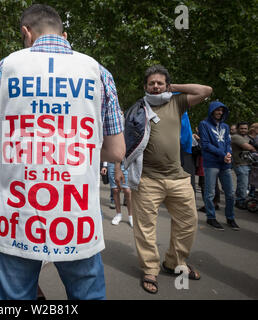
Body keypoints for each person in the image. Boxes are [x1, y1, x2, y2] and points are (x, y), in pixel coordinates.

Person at [0, 4, 125, 300]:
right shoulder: (98, 71)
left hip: (19, 214)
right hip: (76, 216)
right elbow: (117, 151)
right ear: (65, 34)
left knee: (15, 297)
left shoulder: (5, 67)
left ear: (26, 33)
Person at [124, 64, 212, 294]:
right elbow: (125, 141)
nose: (155, 86)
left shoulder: (177, 102)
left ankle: (174, 262)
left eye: (160, 83)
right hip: (147, 179)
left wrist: (174, 88)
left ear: (167, 85)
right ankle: (150, 269)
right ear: (145, 86)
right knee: (145, 228)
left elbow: (205, 91)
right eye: (151, 83)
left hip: (178, 178)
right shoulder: (137, 109)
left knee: (188, 222)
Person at [198, 102, 237, 230]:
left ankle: (230, 218)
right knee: (210, 193)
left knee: (230, 193)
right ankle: (211, 217)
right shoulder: (204, 124)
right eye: (217, 110)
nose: (220, 112)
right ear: (212, 111)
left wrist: (229, 154)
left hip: (225, 163)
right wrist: (222, 154)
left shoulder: (225, 126)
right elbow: (205, 144)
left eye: (222, 110)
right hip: (211, 163)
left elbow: (227, 143)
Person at [231, 122, 257, 209]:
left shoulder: (247, 137)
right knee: (243, 184)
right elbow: (249, 147)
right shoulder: (235, 137)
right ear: (238, 129)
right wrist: (253, 148)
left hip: (249, 164)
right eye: (241, 128)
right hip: (240, 164)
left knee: (243, 184)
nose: (243, 130)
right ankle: (240, 201)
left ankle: (239, 200)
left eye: (245, 128)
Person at [102, 162, 133, 227]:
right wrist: (104, 166)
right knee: (115, 190)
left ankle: (131, 216)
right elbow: (106, 151)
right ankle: (118, 214)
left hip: (125, 163)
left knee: (127, 190)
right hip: (112, 163)